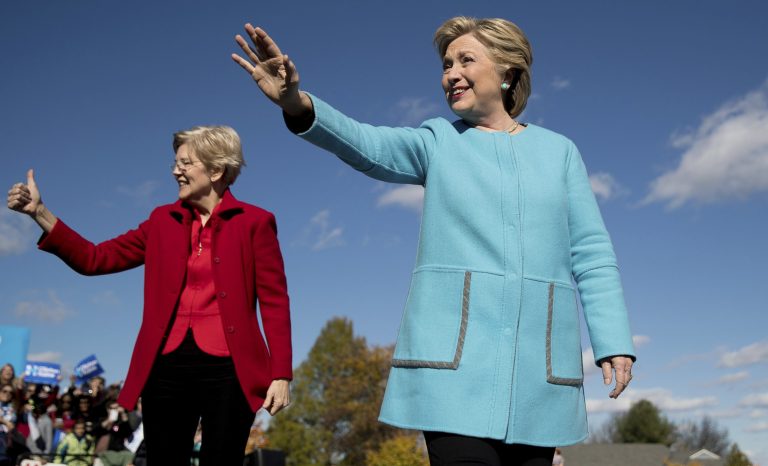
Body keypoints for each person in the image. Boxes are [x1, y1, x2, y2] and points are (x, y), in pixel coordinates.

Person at [232, 16, 635, 466]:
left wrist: (613, 338)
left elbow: (592, 252)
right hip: (454, 372)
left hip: (539, 380)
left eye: (466, 60)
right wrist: (296, 103)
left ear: (507, 72)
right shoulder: (437, 140)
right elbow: (368, 145)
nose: (450, 74)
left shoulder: (560, 152)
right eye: (446, 65)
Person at [6, 125, 293, 466]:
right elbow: (94, 258)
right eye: (175, 163)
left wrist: (281, 373)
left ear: (216, 170)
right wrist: (40, 213)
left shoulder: (256, 222)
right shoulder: (160, 222)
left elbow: (275, 300)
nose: (176, 171)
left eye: (185, 163)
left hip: (232, 369)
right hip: (166, 367)